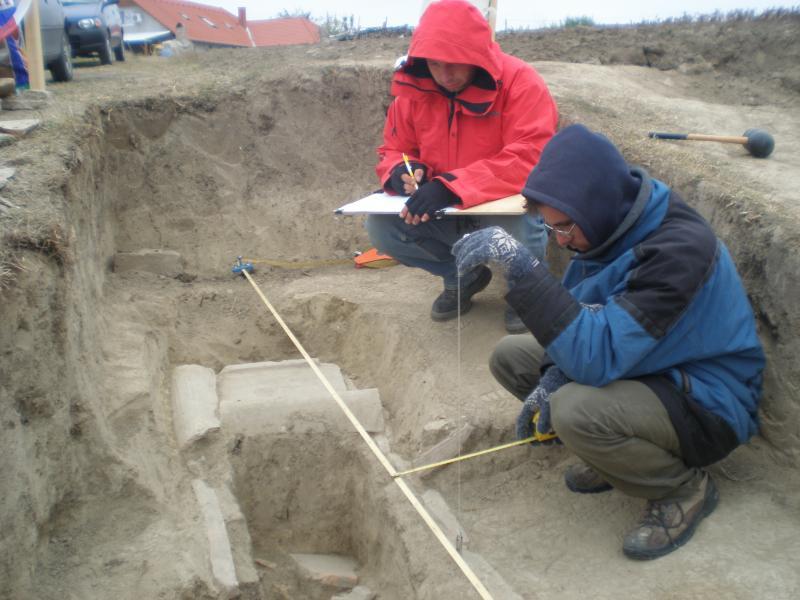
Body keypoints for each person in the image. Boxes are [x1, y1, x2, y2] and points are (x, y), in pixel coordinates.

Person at [453, 124, 765, 560]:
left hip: (709, 399)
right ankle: (618, 456)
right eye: (552, 230)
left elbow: (597, 357)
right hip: (652, 364)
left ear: (595, 205)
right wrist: (554, 372)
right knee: (512, 358)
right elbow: (585, 315)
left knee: (574, 410)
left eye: (564, 229)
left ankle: (683, 488)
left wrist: (523, 270)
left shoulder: (678, 251)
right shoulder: (609, 225)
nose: (562, 241)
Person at [366, 0, 558, 333]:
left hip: (501, 208)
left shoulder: (520, 83)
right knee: (382, 229)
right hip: (445, 209)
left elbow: (531, 155)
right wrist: (400, 171)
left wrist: (451, 185)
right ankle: (463, 276)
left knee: (525, 226)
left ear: (477, 56)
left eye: (455, 64)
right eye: (435, 65)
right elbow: (395, 148)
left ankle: (529, 291)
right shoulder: (413, 92)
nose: (445, 75)